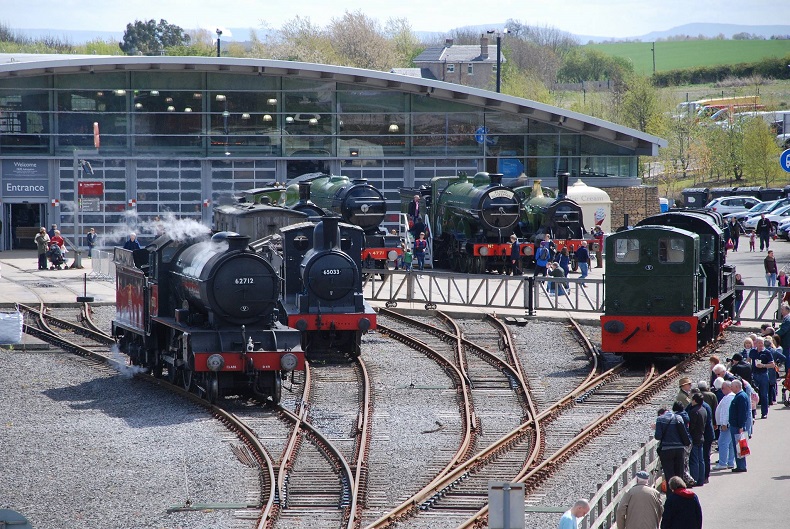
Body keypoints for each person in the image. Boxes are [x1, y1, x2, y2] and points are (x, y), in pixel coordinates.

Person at [654, 403, 690, 483]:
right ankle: (680, 493)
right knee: (679, 475)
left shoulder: (660, 419)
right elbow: (684, 434)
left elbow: (658, 436)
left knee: (669, 475)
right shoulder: (678, 417)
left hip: (666, 450)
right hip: (679, 449)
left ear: (660, 413)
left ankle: (671, 494)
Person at [749, 335, 775, 419]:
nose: (760, 344)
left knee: (764, 394)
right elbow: (748, 360)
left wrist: (763, 365)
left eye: (761, 343)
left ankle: (764, 413)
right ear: (755, 343)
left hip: (763, 374)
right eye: (758, 343)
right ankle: (753, 411)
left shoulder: (767, 352)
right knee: (753, 394)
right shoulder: (752, 351)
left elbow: (772, 365)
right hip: (754, 374)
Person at [713, 379, 736, 470]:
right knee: (729, 443)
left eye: (723, 388)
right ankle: (730, 462)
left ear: (729, 388)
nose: (721, 390)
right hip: (729, 424)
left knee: (722, 443)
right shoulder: (729, 397)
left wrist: (724, 423)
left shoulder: (729, 398)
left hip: (726, 425)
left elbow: (725, 412)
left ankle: (723, 463)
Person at [728, 379, 750, 472]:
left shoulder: (741, 397)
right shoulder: (740, 396)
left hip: (737, 426)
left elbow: (742, 413)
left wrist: (741, 426)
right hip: (737, 425)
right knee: (740, 446)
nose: (731, 388)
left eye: (732, 386)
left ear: (737, 387)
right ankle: (741, 465)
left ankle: (741, 466)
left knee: (739, 446)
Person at [685, 393, 707, 487]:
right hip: (701, 436)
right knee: (701, 459)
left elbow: (691, 426)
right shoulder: (704, 409)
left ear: (695, 400)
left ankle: (695, 479)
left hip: (694, 437)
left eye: (692, 400)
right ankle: (701, 479)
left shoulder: (694, 411)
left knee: (694, 460)